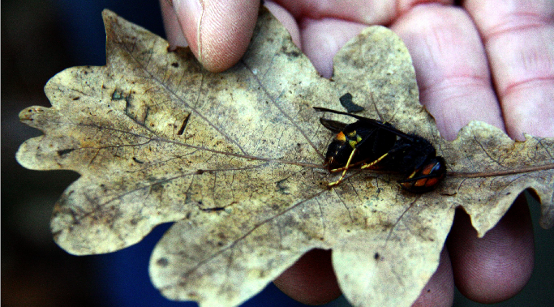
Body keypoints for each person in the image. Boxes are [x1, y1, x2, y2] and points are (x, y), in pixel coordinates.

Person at [160, 1, 554, 306]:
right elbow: (378, 153)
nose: (426, 178)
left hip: (364, 139)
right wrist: (349, 166)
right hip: (352, 143)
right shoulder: (407, 157)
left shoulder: (418, 157)